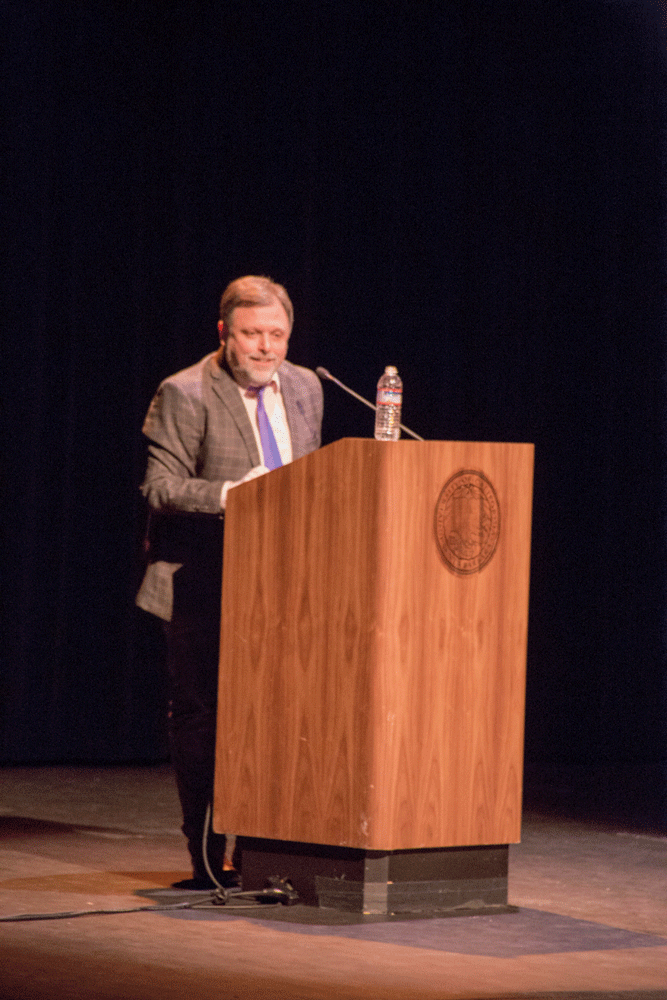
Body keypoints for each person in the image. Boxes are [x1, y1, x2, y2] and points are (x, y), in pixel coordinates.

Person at [136, 275, 323, 889]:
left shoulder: (306, 386)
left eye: (277, 334)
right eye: (251, 334)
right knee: (205, 718)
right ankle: (208, 856)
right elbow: (160, 488)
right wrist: (231, 495)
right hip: (202, 582)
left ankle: (264, 852)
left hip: (285, 584)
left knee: (277, 717)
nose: (266, 347)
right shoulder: (185, 392)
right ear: (224, 333)